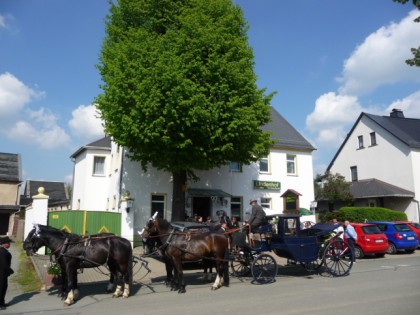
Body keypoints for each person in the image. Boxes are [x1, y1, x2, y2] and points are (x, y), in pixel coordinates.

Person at [0, 236, 14, 310]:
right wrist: (10, 271)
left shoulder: (3, 250)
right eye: (8, 243)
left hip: (3, 273)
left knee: (4, 287)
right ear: (4, 244)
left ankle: (2, 302)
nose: (9, 244)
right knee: (1, 288)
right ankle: (0, 304)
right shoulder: (2, 252)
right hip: (1, 273)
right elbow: (4, 264)